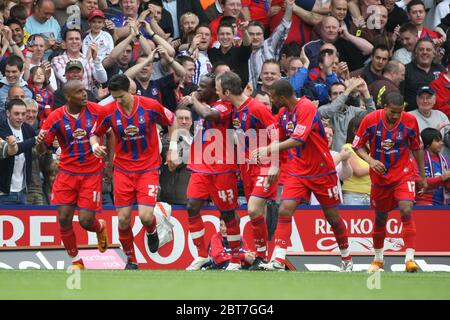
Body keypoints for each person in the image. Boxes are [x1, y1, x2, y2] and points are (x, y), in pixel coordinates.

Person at [253, 79, 353, 272]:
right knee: (284, 209)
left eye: (272, 97)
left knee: (332, 218)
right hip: (298, 169)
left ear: (282, 97)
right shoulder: (283, 113)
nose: (272, 101)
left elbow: (298, 139)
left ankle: (346, 257)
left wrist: (268, 149)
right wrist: (272, 159)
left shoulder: (305, 107)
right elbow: (278, 137)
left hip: (322, 170)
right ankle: (279, 261)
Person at [90, 74, 175, 270]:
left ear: (130, 90)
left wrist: (171, 148)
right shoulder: (109, 111)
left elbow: (172, 120)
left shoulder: (150, 105)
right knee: (123, 219)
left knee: (145, 216)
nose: (118, 100)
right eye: (114, 97)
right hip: (123, 169)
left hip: (148, 168)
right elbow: (94, 133)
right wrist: (95, 145)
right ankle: (131, 260)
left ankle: (152, 230)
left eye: (121, 96)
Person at [168, 73, 241, 271]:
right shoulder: (202, 104)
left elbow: (209, 115)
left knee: (227, 214)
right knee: (191, 205)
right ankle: (201, 255)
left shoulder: (224, 106)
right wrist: (193, 99)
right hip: (201, 167)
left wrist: (193, 100)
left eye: (204, 87)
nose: (199, 89)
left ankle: (235, 259)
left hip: (222, 168)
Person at [36, 80, 109, 270]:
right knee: (63, 218)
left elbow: (111, 133)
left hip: (92, 172)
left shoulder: (97, 111)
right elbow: (41, 149)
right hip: (67, 172)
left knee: (85, 221)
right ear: (68, 97)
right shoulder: (56, 117)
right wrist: (40, 141)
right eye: (79, 92)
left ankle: (99, 227)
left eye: (84, 90)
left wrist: (110, 162)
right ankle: (76, 261)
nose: (84, 94)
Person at [352, 92, 427, 273]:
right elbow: (357, 146)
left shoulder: (410, 121)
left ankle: (409, 259)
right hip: (380, 177)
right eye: (393, 112)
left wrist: (422, 176)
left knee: (406, 208)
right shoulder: (370, 120)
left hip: (403, 173)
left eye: (399, 112)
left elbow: (416, 148)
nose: (396, 116)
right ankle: (378, 259)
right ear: (384, 107)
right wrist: (371, 161)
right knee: (380, 218)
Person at [216, 71, 280, 270]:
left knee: (252, 208)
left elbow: (275, 134)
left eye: (218, 90)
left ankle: (263, 255)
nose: (217, 94)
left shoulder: (257, 108)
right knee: (256, 213)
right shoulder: (234, 111)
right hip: (246, 168)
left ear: (227, 92)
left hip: (265, 165)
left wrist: (275, 165)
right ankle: (262, 257)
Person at [0, 99, 37, 204]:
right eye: (16, 114)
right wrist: (35, 140)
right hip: (3, 193)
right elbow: (14, 150)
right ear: (8, 113)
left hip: (22, 191)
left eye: (23, 114)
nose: (20, 117)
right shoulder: (2, 127)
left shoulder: (27, 129)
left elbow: (39, 150)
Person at [159, 106, 193, 205]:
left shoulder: (196, 138)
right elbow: (175, 161)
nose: (184, 121)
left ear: (191, 121)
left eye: (187, 118)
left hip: (198, 198)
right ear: (173, 122)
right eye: (180, 118)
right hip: (176, 200)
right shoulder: (166, 141)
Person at [409, 86, 450, 157]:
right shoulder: (409, 117)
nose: (425, 101)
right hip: (419, 158)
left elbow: (447, 140)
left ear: (434, 100)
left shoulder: (441, 115)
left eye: (428, 98)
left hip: (441, 159)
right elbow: (411, 143)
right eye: (421, 98)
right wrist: (435, 132)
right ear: (416, 100)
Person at [415, 128, 450, 206]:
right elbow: (419, 183)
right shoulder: (417, 160)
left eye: (441, 141)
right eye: (437, 141)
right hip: (423, 202)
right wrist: (442, 178)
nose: (441, 143)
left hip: (444, 203)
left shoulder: (446, 161)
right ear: (427, 143)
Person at [342, 115, 371, 205]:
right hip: (353, 196)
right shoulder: (347, 148)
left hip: (370, 195)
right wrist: (377, 165)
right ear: (355, 131)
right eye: (365, 129)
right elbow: (358, 171)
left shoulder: (370, 147)